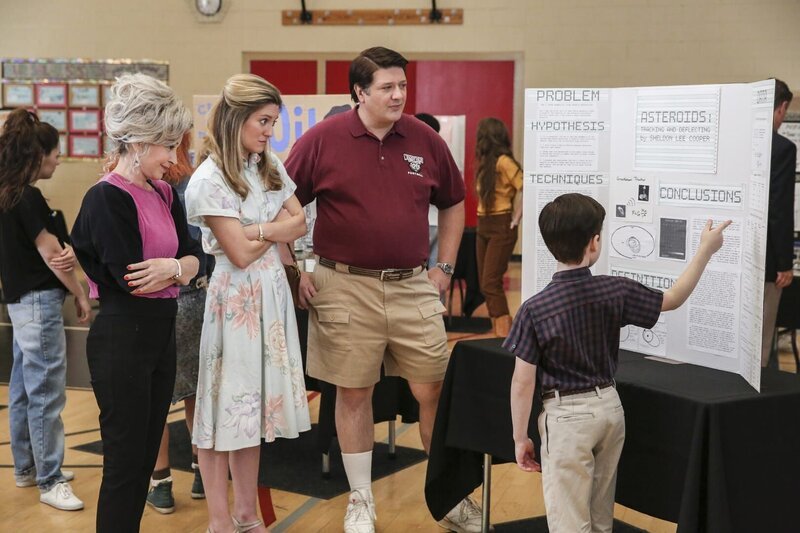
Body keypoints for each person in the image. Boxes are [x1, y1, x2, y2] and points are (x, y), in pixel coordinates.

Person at [285, 47, 484, 533]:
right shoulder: (322, 139)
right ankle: (360, 500)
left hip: (413, 284)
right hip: (342, 284)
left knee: (432, 387)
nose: (398, 96)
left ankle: (449, 497)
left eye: (402, 87)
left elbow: (454, 204)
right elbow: (285, 205)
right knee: (354, 392)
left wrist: (444, 266)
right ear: (359, 92)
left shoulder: (425, 139)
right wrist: (299, 267)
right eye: (387, 88)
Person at [507, 193, 729, 533]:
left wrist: (520, 436)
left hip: (566, 419)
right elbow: (673, 298)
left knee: (570, 522)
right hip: (610, 409)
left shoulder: (535, 309)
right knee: (600, 519)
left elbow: (523, 382)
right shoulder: (614, 291)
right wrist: (705, 250)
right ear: (594, 242)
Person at [71, 73, 200, 532]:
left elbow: (196, 256)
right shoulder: (106, 198)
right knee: (125, 468)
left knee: (144, 463)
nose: (173, 158)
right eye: (167, 146)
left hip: (160, 336)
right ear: (139, 142)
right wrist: (178, 267)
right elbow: (132, 278)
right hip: (123, 338)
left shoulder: (164, 193)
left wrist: (175, 268)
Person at [185, 73, 311, 533]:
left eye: (273, 122)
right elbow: (235, 253)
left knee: (252, 412)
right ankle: (219, 521)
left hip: (270, 294)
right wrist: (266, 229)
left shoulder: (265, 163)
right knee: (223, 413)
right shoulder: (208, 178)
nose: (269, 132)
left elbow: (299, 221)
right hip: (235, 299)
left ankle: (246, 514)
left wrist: (254, 228)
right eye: (263, 121)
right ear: (237, 117)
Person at [0, 109, 91, 511]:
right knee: (45, 394)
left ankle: (28, 466)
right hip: (38, 303)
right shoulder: (28, 196)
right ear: (38, 155)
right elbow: (53, 255)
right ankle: (50, 478)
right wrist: (82, 294)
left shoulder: (7, 192)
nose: (58, 160)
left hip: (20, 303)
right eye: (55, 153)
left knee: (23, 387)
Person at [140, 132, 212, 513]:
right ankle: (202, 472)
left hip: (160, 300)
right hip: (200, 297)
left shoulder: (146, 188)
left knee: (156, 399)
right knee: (196, 395)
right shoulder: (198, 182)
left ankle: (161, 483)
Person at [474, 117, 523, 337]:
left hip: (501, 223)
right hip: (483, 223)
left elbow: (526, 186)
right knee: (485, 284)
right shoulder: (487, 163)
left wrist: (515, 218)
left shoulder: (504, 161)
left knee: (490, 282)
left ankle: (505, 335)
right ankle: (501, 332)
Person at [761, 78, 796, 368]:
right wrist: (785, 262)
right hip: (767, 260)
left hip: (729, 254)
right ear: (782, 107)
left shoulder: (735, 140)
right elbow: (779, 209)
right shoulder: (782, 148)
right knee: (761, 339)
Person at [415, 112, 443, 271]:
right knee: (435, 273)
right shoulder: (439, 154)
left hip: (422, 222)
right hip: (438, 222)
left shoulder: (413, 155)